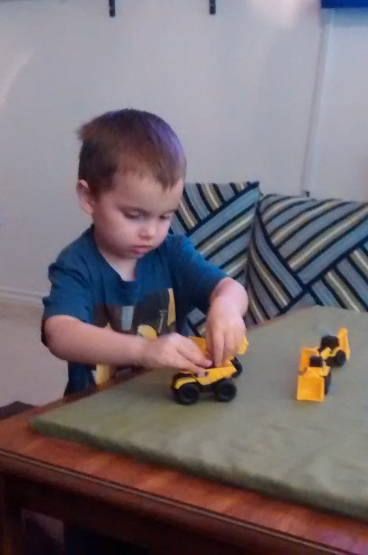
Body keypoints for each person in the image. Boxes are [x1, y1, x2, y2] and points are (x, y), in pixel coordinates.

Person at [40, 108, 249, 553]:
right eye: (134, 215)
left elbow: (229, 288)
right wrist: (143, 350)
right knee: (95, 531)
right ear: (89, 197)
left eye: (165, 216)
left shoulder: (171, 253)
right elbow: (61, 333)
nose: (151, 232)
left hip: (162, 419)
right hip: (93, 428)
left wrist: (226, 308)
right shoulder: (77, 266)